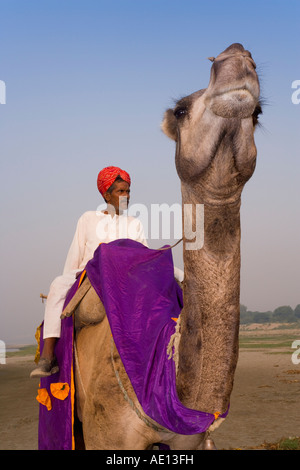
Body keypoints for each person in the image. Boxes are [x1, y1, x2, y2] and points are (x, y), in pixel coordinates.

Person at [30, 166, 148, 378]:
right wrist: (71, 279)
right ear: (106, 194)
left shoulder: (134, 224)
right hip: (87, 275)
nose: (127, 196)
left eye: (128, 191)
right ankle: (48, 356)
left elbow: (142, 255)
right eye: (120, 191)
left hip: (122, 277)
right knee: (58, 284)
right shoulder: (88, 218)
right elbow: (74, 257)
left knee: (172, 276)